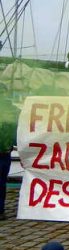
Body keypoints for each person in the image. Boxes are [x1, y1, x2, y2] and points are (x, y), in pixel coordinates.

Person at [0, 91, 18, 220]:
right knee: (1, 182)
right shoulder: (13, 110)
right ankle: (0, 210)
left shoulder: (12, 111)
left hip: (5, 151)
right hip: (5, 151)